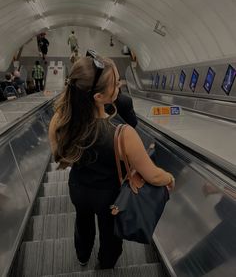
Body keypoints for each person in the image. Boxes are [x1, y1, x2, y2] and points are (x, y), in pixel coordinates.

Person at [48, 55, 175, 269]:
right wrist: (169, 177)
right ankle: (106, 264)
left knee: (82, 221)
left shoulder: (61, 120)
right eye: (115, 83)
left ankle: (82, 255)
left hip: (78, 187)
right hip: (109, 196)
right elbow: (152, 175)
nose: (120, 85)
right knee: (110, 233)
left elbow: (60, 155)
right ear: (99, 96)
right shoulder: (123, 133)